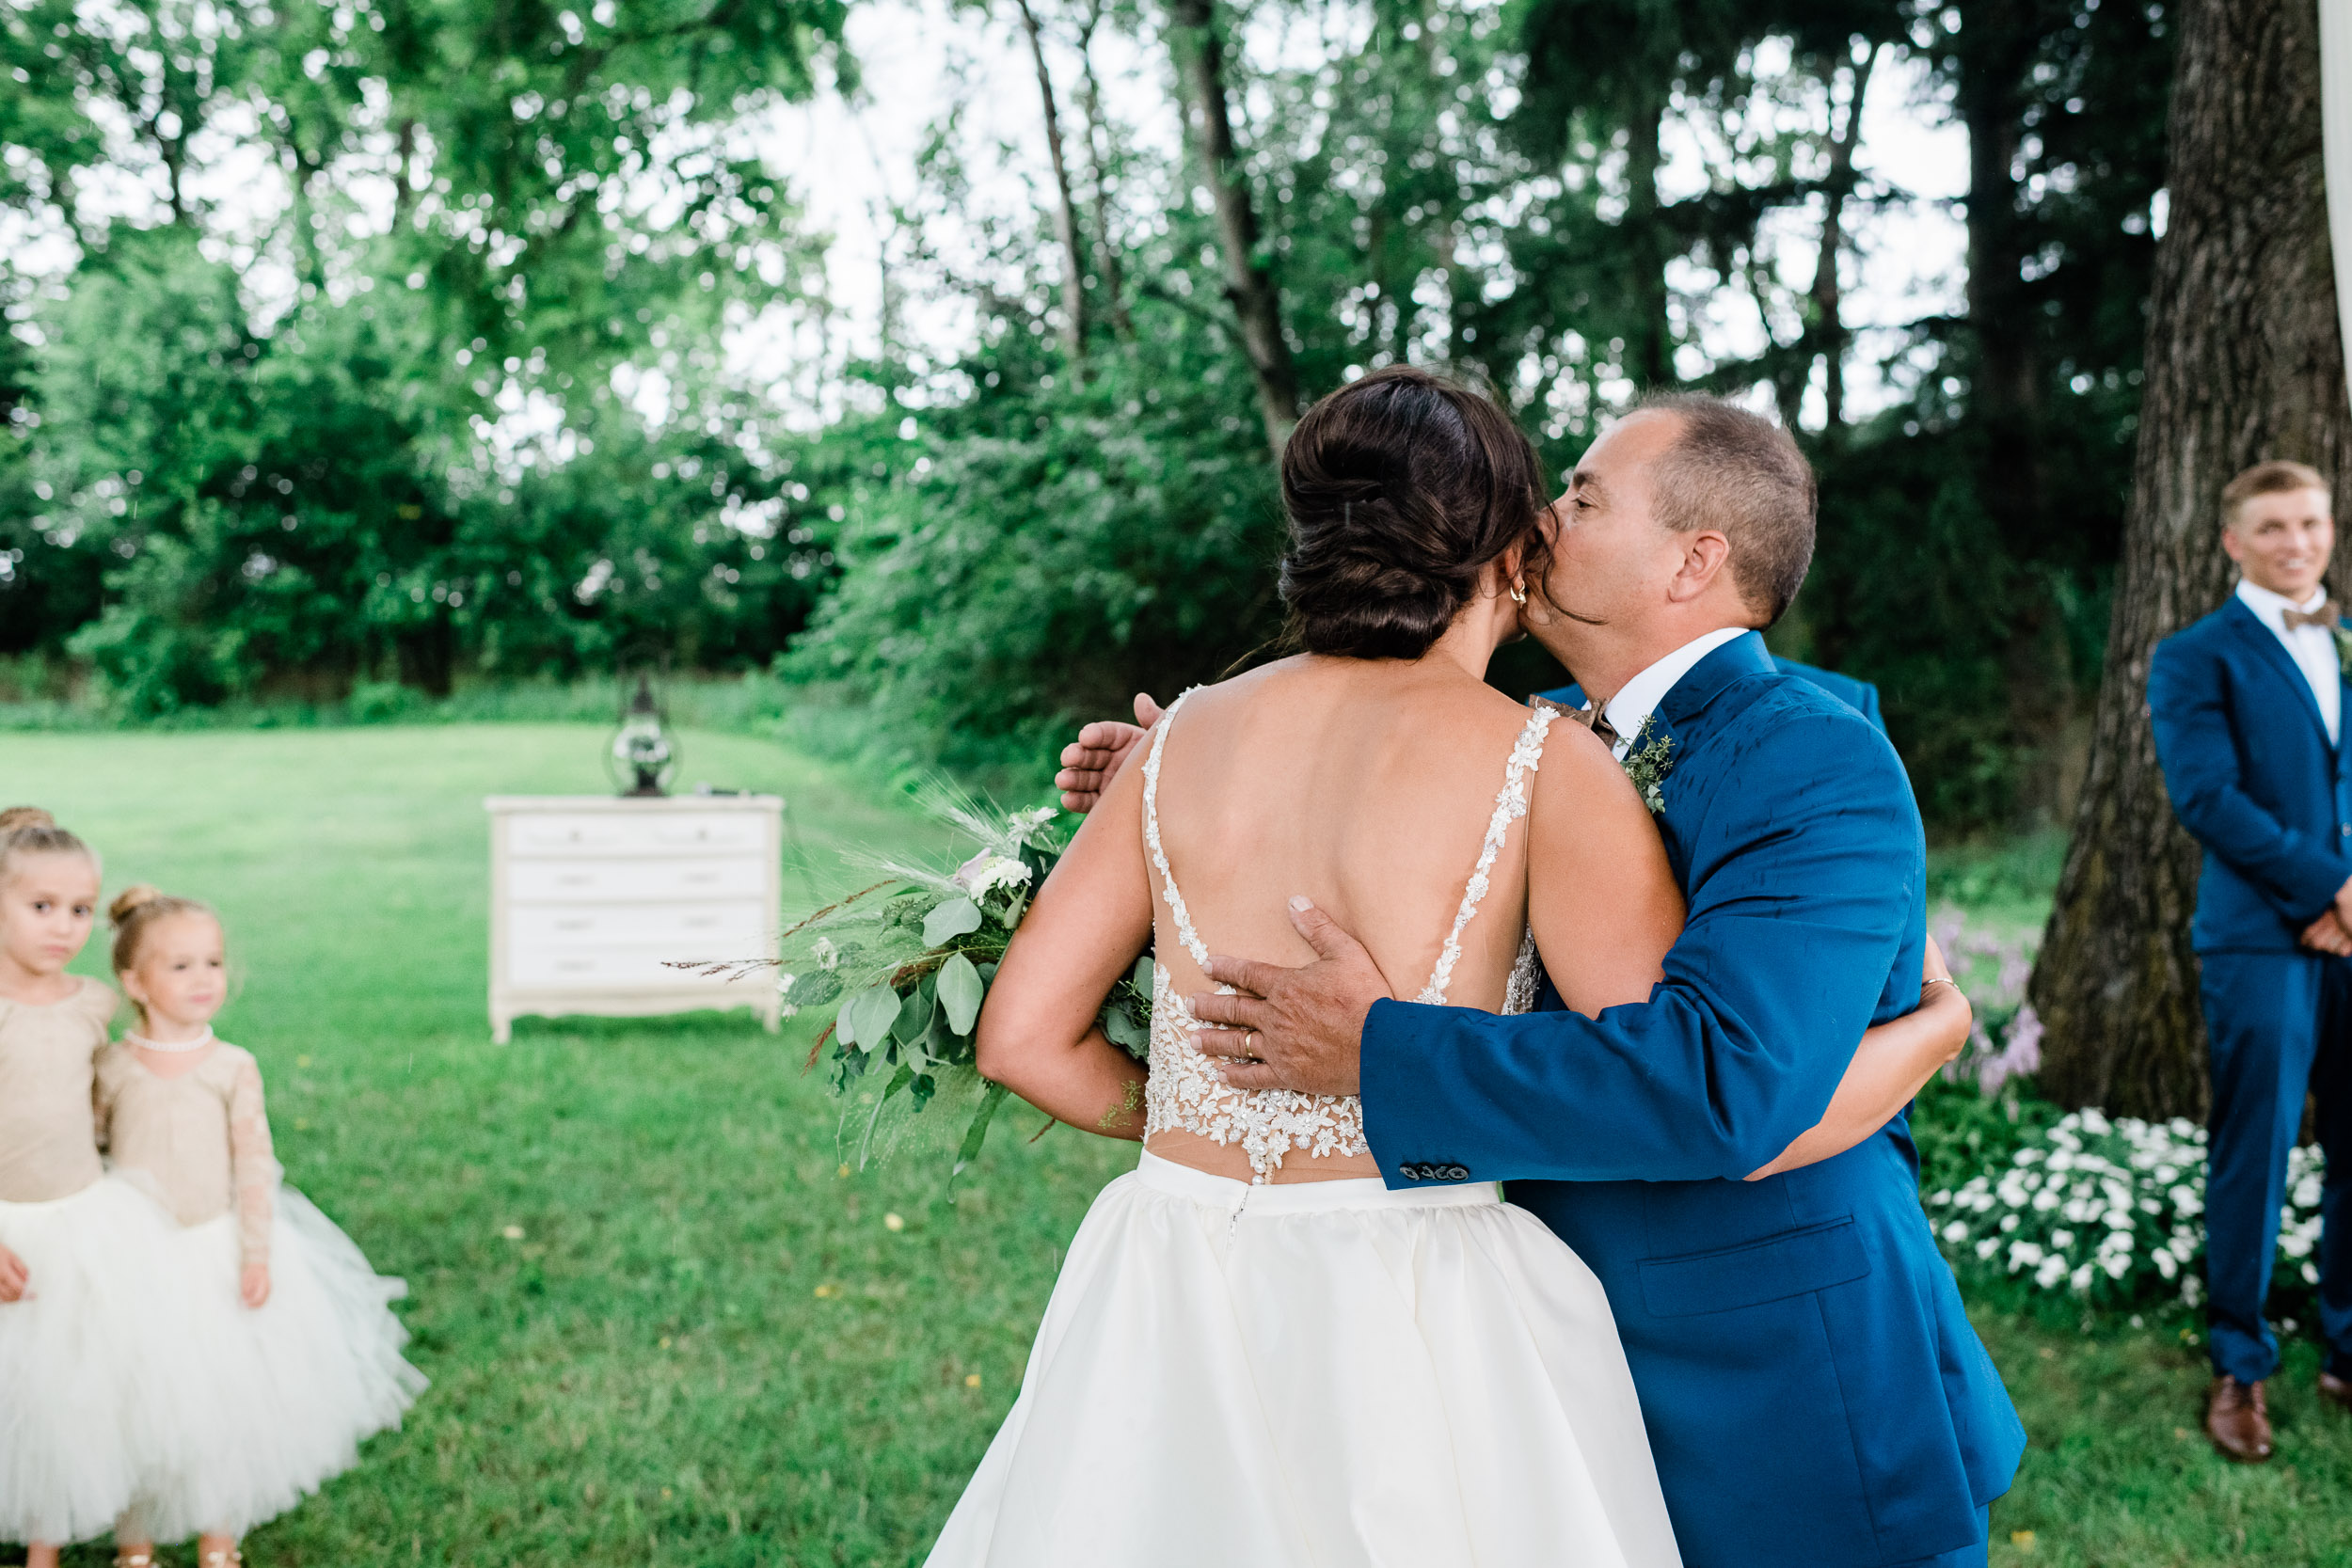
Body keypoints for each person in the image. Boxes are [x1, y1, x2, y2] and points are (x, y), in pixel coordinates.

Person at [935, 368, 1975, 1565]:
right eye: (1545, 495)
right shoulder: (1538, 747)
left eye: (1582, 497)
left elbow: (1719, 1094)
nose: (1545, 524)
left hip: (1770, 1383)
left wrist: (1229, 1095)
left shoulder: (1811, 757)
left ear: (1693, 562)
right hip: (1443, 1313)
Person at [98, 886, 425, 1567]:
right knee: (134, 1400)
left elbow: (254, 1164)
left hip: (212, 1252)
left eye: (212, 962)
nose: (203, 979)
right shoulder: (113, 1066)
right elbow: (93, 1153)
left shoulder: (230, 1065)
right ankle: (136, 1542)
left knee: (219, 1402)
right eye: (180, 965)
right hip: (134, 1260)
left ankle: (219, 1536)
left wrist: (256, 1252)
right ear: (134, 980)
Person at [2147, 459, 2352, 1462]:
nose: (2297, 541)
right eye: (2272, 526)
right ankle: (2239, 1357)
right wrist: (2327, 889)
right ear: (2233, 540)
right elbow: (2208, 797)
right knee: (2255, 1144)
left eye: (2310, 521)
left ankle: (2345, 1342)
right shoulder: (2193, 655)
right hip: (2259, 935)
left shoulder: (2348, 638)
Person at [0, 810, 185, 1567]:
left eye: (80, 909)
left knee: (80, 1383)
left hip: (82, 1219)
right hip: (10, 1226)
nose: (65, 928)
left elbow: (114, 1102)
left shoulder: (92, 1004)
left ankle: (61, 1541)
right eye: (40, 907)